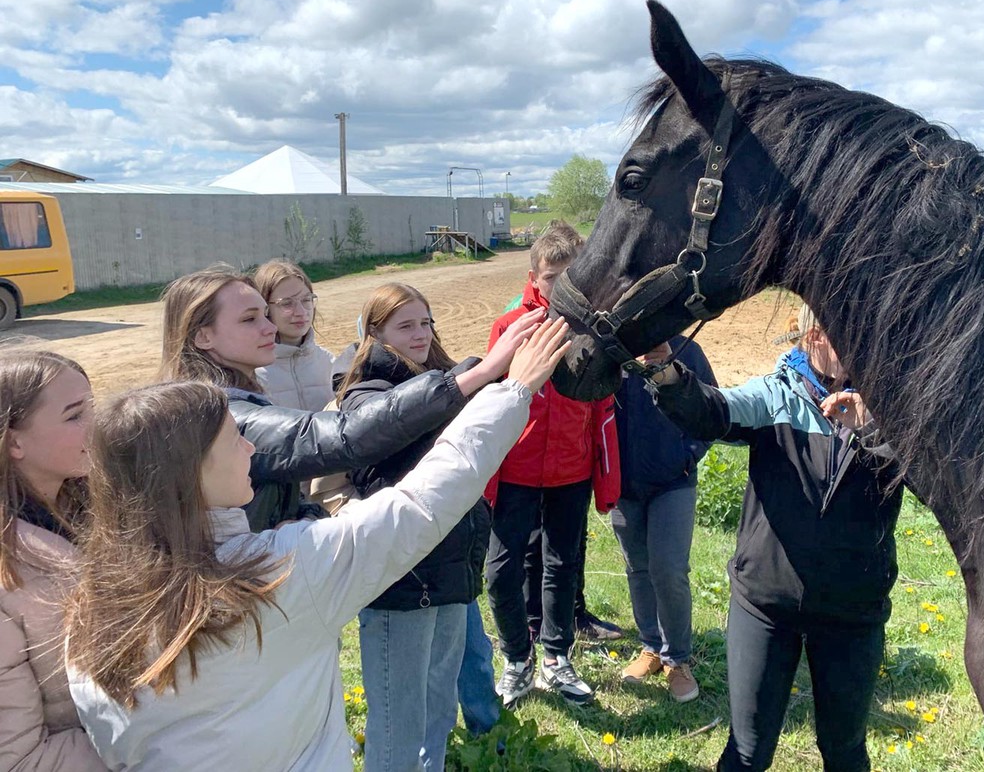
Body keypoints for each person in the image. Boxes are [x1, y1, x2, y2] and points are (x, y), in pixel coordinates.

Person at [65, 318, 571, 772]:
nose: (248, 447)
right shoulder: (280, 574)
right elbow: (423, 501)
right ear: (188, 475)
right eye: (231, 439)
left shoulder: (88, 610)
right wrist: (514, 391)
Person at [645, 312, 901, 772]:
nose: (841, 344)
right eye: (828, 330)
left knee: (844, 751)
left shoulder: (896, 409)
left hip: (853, 612)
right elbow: (712, 411)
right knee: (748, 751)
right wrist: (667, 375)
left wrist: (873, 428)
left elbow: (930, 476)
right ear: (808, 334)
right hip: (765, 604)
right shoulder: (775, 395)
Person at [158, 265, 541, 531]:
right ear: (202, 337)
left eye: (264, 314)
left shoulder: (235, 399)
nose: (270, 326)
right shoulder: (222, 414)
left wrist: (307, 519)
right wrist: (480, 373)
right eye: (249, 319)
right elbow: (344, 435)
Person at [336, 283, 496, 771]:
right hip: (403, 580)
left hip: (450, 571)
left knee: (438, 709)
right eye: (405, 325)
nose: (420, 334)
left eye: (426, 322)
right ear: (374, 335)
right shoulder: (364, 395)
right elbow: (390, 428)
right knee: (398, 720)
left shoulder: (443, 380)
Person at [486, 227, 620, 708]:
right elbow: (493, 397)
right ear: (533, 279)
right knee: (501, 570)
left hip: (571, 468)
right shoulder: (509, 327)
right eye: (551, 277)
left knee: (563, 565)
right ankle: (517, 659)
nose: (561, 286)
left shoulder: (595, 329)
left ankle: (557, 657)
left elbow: (602, 399)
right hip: (517, 466)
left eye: (571, 277)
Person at [0, 349, 107, 772]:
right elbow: (19, 758)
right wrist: (154, 740)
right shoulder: (9, 569)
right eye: (74, 415)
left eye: (93, 407)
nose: (96, 426)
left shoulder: (106, 511)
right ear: (14, 441)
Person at [612, 336, 716, 703]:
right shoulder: (613, 351)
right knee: (638, 568)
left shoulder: (687, 351)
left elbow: (710, 409)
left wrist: (687, 455)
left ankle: (678, 660)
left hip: (674, 481)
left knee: (669, 569)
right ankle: (651, 647)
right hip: (624, 486)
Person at [254, 259, 335, 412]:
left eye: (306, 300)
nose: (301, 312)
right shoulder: (253, 374)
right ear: (264, 308)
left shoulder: (329, 363)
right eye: (286, 303)